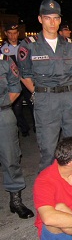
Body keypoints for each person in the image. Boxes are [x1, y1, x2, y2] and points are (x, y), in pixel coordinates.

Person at [17, 0, 72, 172]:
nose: (52, 22)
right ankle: (48, 191)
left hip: (68, 96)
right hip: (46, 98)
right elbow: (24, 74)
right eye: (47, 18)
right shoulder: (29, 45)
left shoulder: (69, 45)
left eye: (55, 18)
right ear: (40, 19)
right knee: (49, 149)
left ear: (60, 20)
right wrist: (38, 93)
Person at [0, 53, 34, 219]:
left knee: (10, 157)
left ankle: (16, 199)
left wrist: (3, 104)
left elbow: (15, 88)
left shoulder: (5, 62)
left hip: (2, 114)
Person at [1, 23, 35, 137]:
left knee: (33, 104)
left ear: (18, 33)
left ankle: (37, 127)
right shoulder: (2, 49)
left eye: (15, 33)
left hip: (26, 79)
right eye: (10, 33)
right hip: (12, 82)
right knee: (17, 108)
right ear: (6, 34)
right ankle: (24, 128)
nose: (12, 36)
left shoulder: (25, 46)